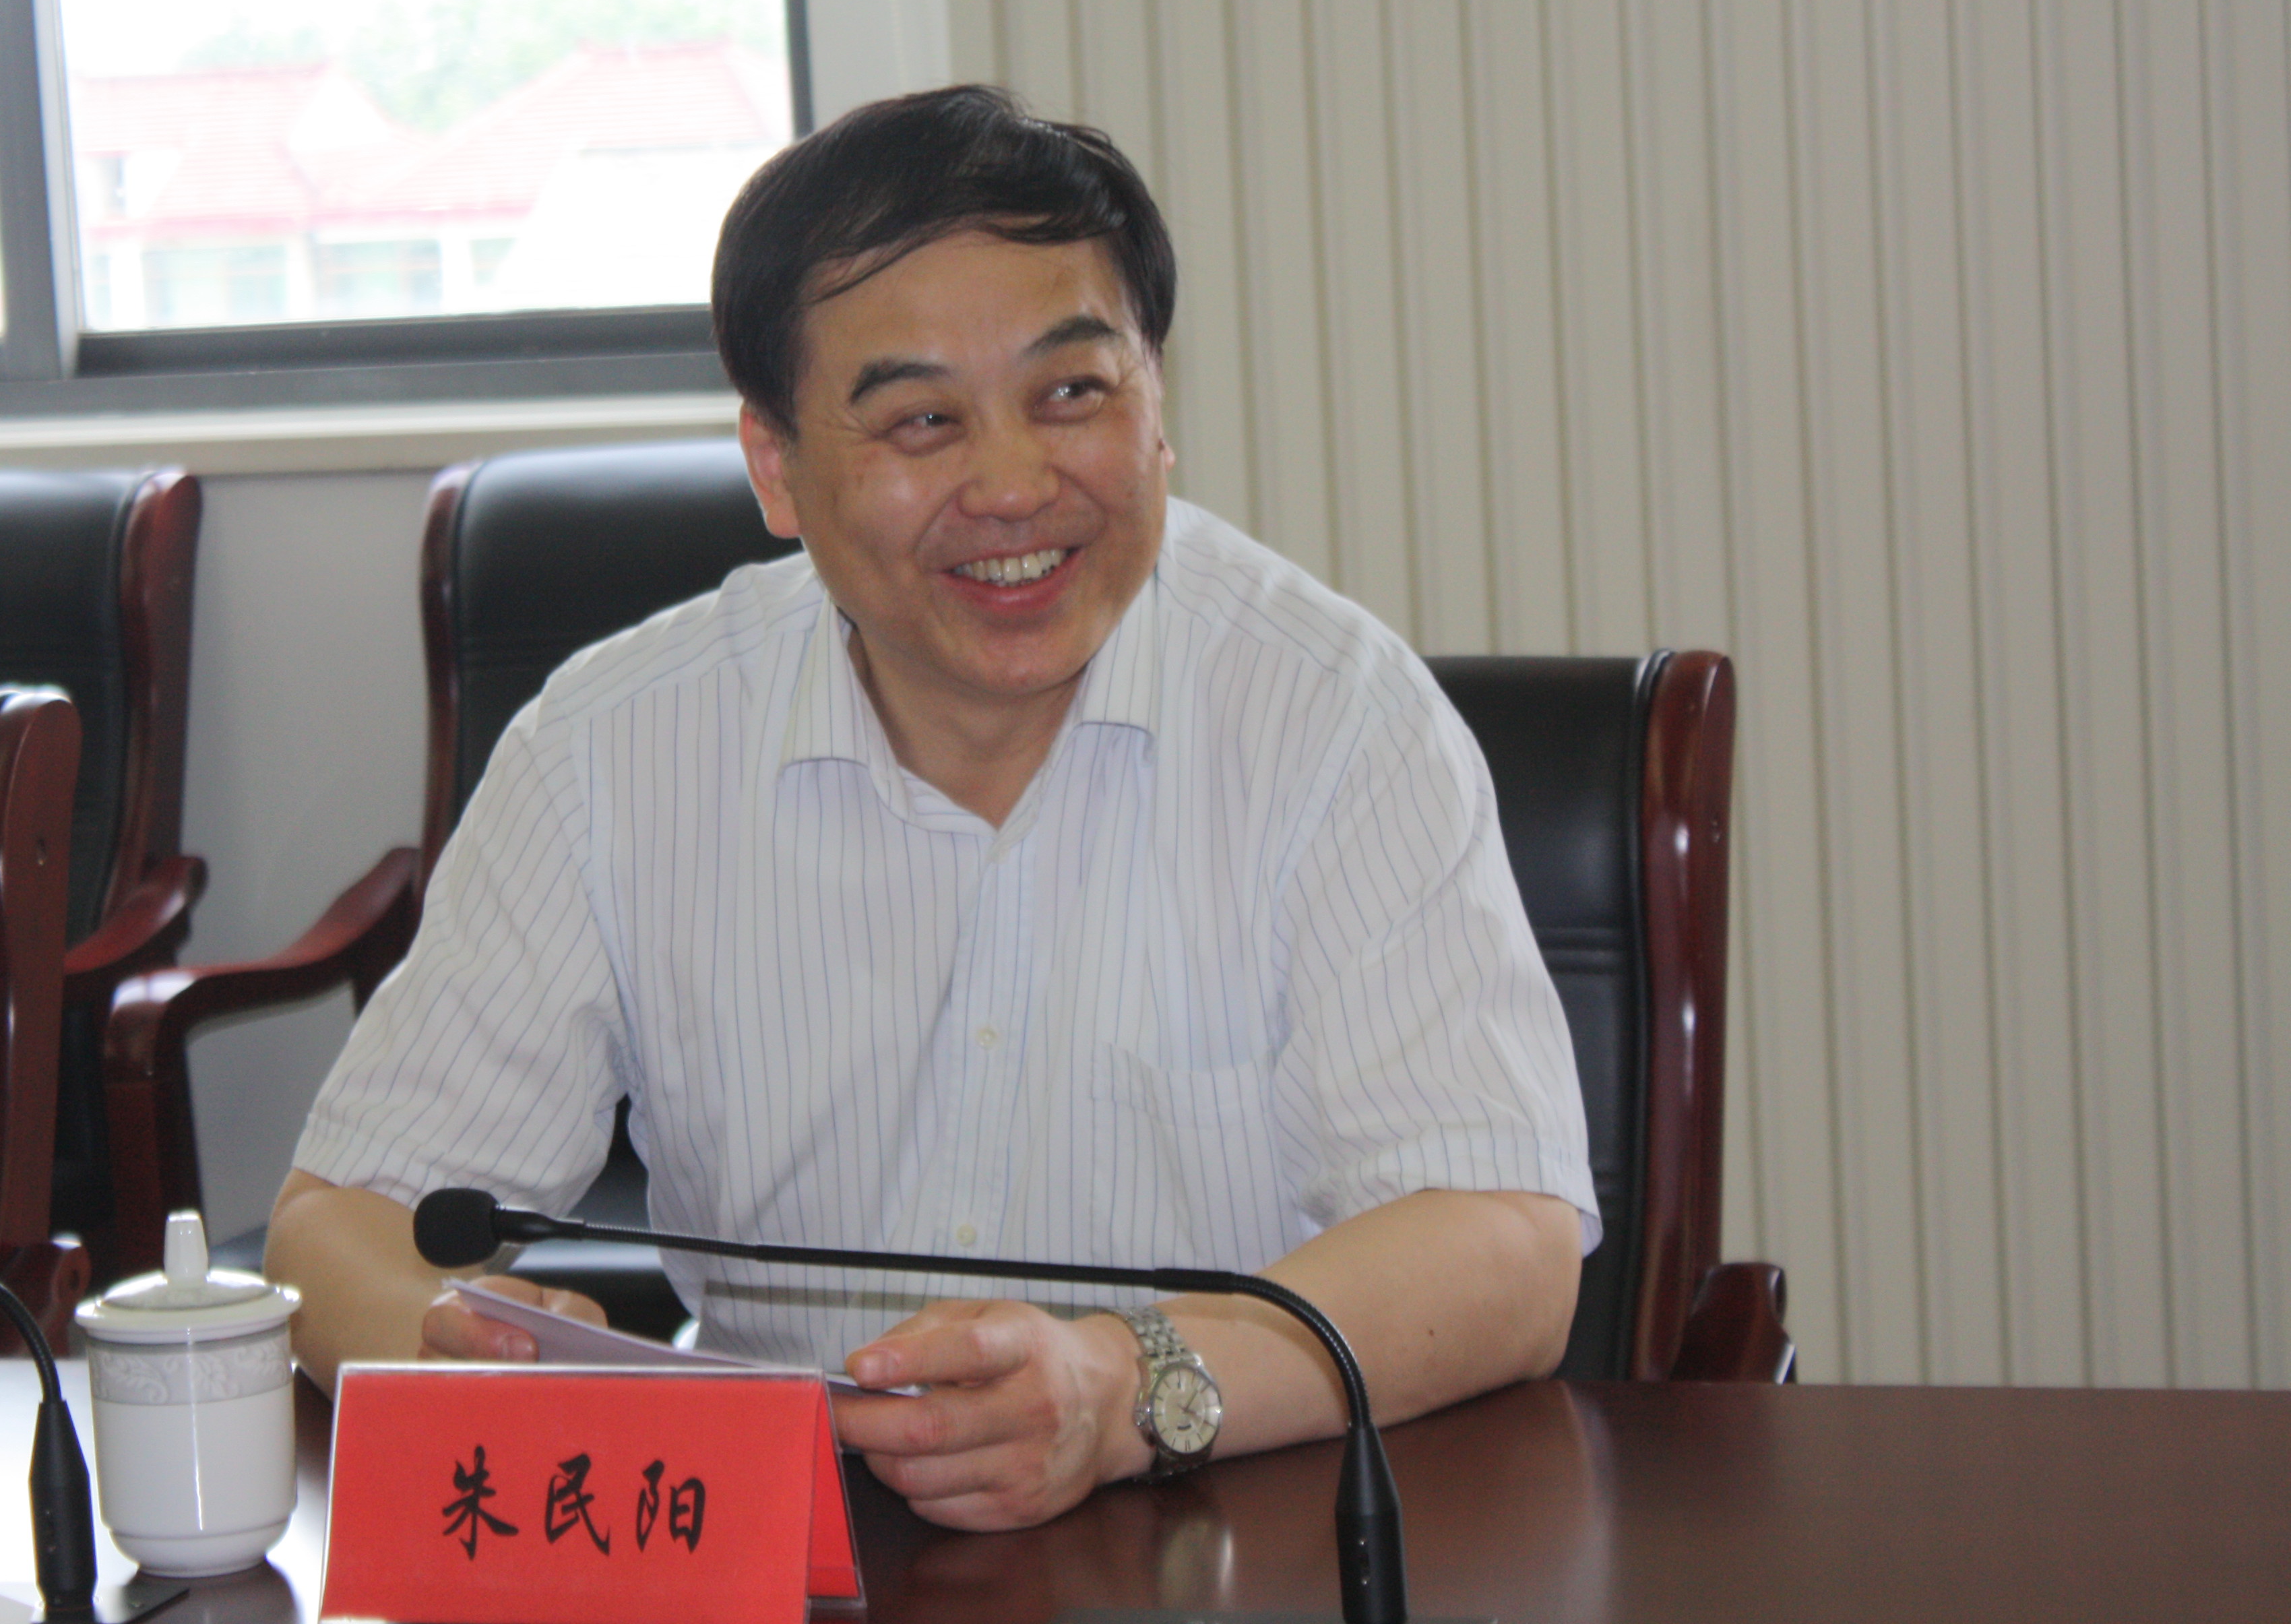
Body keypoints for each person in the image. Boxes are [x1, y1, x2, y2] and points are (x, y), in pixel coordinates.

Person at [270, 86, 1595, 1530]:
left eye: (1072, 394)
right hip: (788, 1549)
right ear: (776, 468)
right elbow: (341, 1223)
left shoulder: (1335, 714)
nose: (1015, 485)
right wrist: (447, 1350)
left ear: (1157, 408)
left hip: (1231, 1530)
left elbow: (1507, 1241)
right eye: (920, 421)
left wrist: (1127, 1387)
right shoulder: (611, 749)